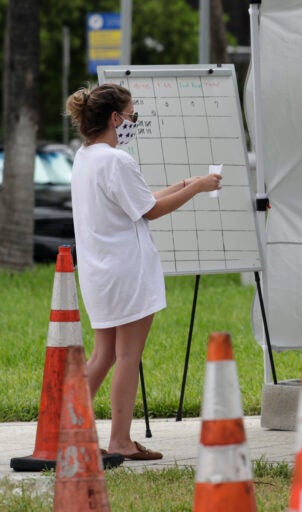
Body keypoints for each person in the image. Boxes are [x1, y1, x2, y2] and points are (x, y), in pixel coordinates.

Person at [65, 84, 222, 460]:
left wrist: (179, 187)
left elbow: (136, 200)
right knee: (127, 357)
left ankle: (65, 429)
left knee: (103, 354)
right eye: (132, 115)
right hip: (128, 272)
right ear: (116, 119)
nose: (135, 121)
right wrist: (198, 187)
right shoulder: (118, 160)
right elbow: (149, 211)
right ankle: (120, 440)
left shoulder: (85, 157)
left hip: (99, 272)